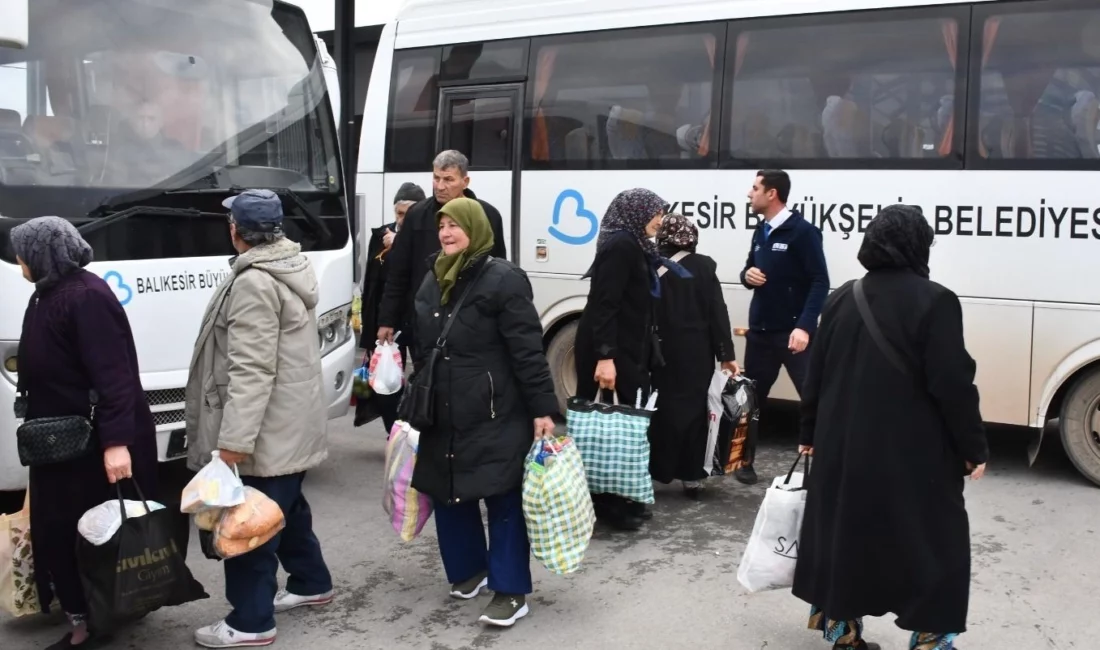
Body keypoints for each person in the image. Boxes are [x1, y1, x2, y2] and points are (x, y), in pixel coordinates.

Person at [793, 205, 989, 650]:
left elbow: (816, 376)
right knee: (935, 543)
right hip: (911, 455)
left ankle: (844, 634)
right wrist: (973, 447)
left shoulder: (842, 296)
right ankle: (931, 639)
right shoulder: (935, 300)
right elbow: (953, 385)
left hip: (842, 447)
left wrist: (809, 435)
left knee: (847, 537)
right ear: (917, 245)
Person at [185, 189, 333, 649]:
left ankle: (250, 621)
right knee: (286, 509)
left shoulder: (253, 281)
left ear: (237, 232)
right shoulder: (290, 267)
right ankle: (311, 583)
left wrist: (232, 444)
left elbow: (251, 371)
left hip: (265, 430)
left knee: (247, 525)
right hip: (292, 423)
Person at [10, 216, 158, 649]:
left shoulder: (85, 297)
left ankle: (90, 624)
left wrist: (115, 443)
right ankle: (91, 612)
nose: (17, 259)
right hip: (58, 444)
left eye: (22, 251)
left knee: (89, 535)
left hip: (89, 444)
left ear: (41, 254)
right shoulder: (48, 293)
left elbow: (114, 378)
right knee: (63, 531)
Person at [410, 197, 558, 627]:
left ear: (476, 229)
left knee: (502, 494)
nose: (446, 233)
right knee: (447, 488)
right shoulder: (432, 276)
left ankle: (511, 591)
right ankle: (469, 570)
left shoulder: (504, 279)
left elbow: (528, 349)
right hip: (442, 406)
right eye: (442, 225)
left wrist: (542, 409)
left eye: (456, 225)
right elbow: (423, 345)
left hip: (495, 408)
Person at [573, 188, 689, 530]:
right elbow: (605, 304)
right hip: (611, 349)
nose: (660, 220)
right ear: (636, 212)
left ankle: (620, 497)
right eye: (656, 213)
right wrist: (605, 358)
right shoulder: (620, 246)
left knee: (623, 425)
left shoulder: (635, 243)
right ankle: (608, 504)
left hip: (627, 346)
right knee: (612, 426)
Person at [737, 169, 829, 485]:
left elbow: (820, 281)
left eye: (754, 188)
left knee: (814, 396)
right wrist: (746, 275)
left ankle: (824, 466)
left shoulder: (803, 232)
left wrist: (804, 327)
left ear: (772, 193)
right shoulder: (761, 230)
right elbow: (749, 267)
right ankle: (744, 462)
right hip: (761, 332)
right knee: (751, 400)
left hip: (793, 334)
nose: (750, 194)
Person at [376, 150, 507, 358]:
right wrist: (387, 320)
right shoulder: (416, 215)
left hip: (473, 323)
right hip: (425, 321)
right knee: (426, 383)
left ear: (465, 181)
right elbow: (398, 273)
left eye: (448, 179)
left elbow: (500, 271)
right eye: (436, 178)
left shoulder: (488, 215)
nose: (440, 186)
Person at [648, 214, 739, 498]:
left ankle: (657, 471)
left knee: (659, 409)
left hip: (659, 350)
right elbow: (717, 312)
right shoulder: (704, 267)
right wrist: (726, 354)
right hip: (696, 352)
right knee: (696, 412)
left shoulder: (651, 264)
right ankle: (692, 478)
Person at [355, 181, 427, 430]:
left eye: (409, 214)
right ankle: (393, 429)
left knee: (423, 376)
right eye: (400, 214)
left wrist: (399, 244)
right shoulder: (381, 235)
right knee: (385, 379)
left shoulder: (427, 236)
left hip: (418, 318)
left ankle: (416, 427)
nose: (403, 219)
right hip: (388, 318)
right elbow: (373, 282)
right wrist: (369, 325)